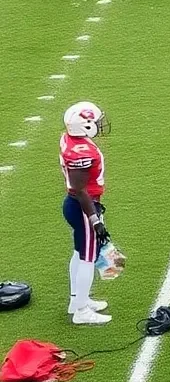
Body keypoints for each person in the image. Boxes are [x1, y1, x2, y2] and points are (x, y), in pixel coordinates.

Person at [60, 101, 113, 325]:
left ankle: (77, 300)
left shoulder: (70, 140)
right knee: (88, 258)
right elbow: (80, 189)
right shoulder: (82, 151)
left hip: (75, 204)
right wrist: (95, 220)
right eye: (95, 121)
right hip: (84, 206)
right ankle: (81, 311)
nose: (100, 124)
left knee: (79, 252)